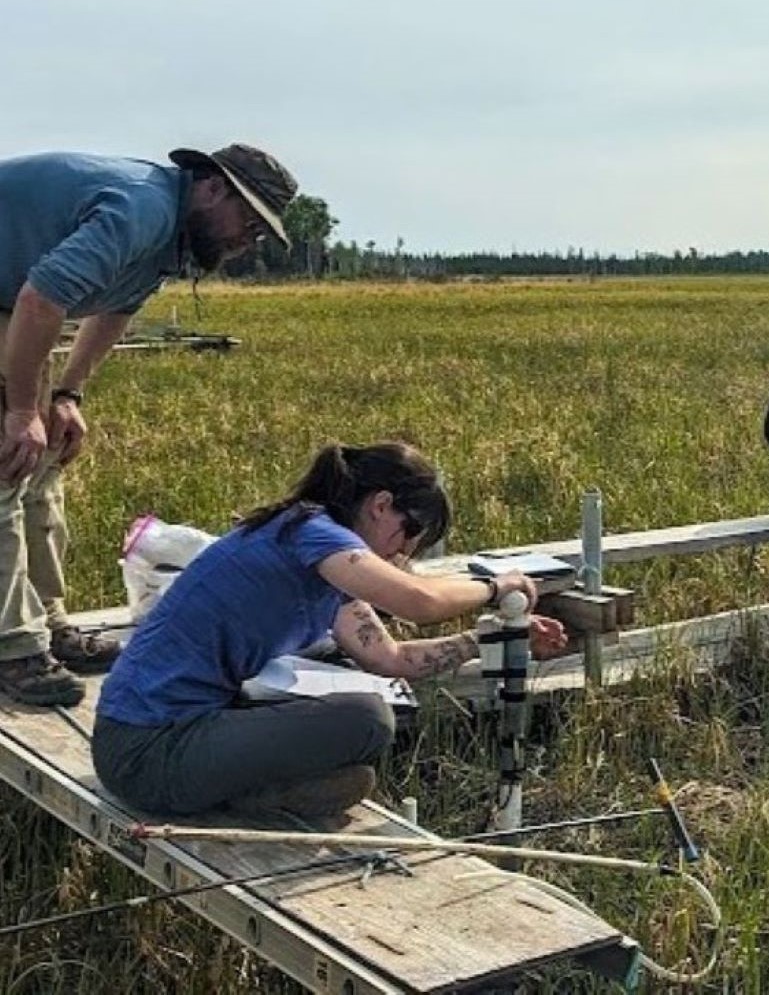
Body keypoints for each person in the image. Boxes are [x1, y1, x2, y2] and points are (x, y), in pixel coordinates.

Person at [92, 442, 568, 819]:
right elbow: (418, 601)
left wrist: (490, 639)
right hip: (146, 750)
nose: (399, 559)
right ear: (382, 505)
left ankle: (259, 789)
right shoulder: (313, 534)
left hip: (162, 733)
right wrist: (495, 585)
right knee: (366, 720)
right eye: (407, 539)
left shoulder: (320, 558)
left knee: (364, 713)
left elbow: (390, 659)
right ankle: (251, 796)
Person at [0, 143, 299, 706]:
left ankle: (47, 622)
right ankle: (13, 650)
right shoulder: (142, 210)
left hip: (13, 301)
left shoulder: (170, 236)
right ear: (211, 187)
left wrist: (66, 394)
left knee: (42, 468)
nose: (247, 242)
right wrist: (19, 412)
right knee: (5, 468)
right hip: (17, 301)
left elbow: (115, 309)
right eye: (249, 223)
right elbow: (42, 298)